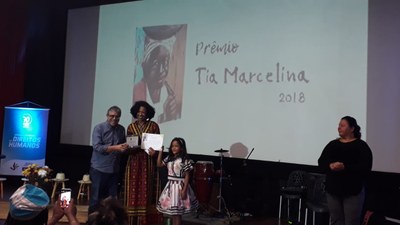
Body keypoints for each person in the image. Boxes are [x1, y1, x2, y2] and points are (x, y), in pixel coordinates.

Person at [318, 116, 373, 225]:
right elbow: (321, 162)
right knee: (335, 220)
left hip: (353, 192)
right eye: (339, 125)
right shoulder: (332, 144)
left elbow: (366, 167)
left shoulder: (361, 146)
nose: (339, 128)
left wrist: (345, 167)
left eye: (342, 125)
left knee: (351, 221)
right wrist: (330, 165)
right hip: (333, 191)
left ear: (352, 128)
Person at [133, 25, 186, 124]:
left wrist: (171, 116)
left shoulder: (169, 95)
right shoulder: (136, 93)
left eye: (165, 63)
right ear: (145, 66)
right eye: (155, 64)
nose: (162, 70)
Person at [124, 101, 162, 225]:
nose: (141, 114)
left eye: (143, 112)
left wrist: (154, 152)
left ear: (148, 114)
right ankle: (132, 220)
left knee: (147, 188)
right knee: (133, 188)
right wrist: (132, 147)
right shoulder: (130, 127)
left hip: (148, 162)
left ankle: (145, 220)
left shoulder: (153, 126)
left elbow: (157, 146)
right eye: (139, 112)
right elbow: (129, 147)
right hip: (134, 161)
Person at [90, 106, 128, 214]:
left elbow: (122, 146)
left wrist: (125, 148)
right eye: (112, 116)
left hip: (114, 169)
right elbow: (97, 147)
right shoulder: (99, 128)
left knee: (112, 200)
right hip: (99, 169)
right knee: (96, 199)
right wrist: (115, 148)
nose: (114, 118)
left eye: (117, 116)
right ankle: (92, 221)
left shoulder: (121, 129)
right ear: (107, 116)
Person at [156, 137, 199, 225]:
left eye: (176, 146)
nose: (174, 148)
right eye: (172, 146)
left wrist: (184, 190)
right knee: (173, 214)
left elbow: (187, 176)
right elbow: (159, 164)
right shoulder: (169, 158)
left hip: (179, 187)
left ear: (181, 148)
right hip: (170, 187)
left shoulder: (184, 160)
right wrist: (160, 152)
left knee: (177, 214)